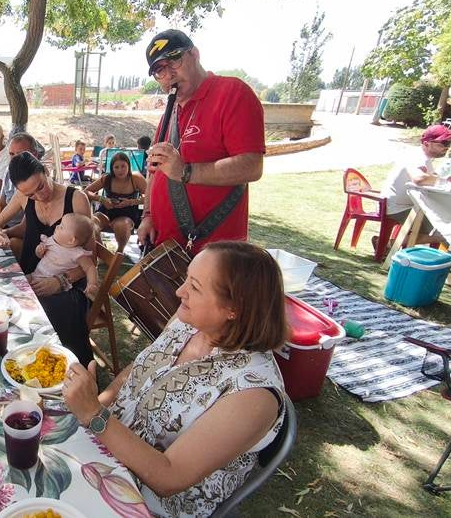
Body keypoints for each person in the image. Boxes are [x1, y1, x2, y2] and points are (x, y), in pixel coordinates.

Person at [63, 241, 287, 518]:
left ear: (234, 309)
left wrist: (94, 415)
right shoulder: (187, 324)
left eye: (194, 287)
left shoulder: (254, 394)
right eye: (186, 280)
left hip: (144, 501)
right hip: (106, 448)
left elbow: (169, 477)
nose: (180, 292)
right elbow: (138, 369)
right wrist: (98, 402)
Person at [138, 29, 265, 255]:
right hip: (164, 247)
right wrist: (147, 215)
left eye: (174, 60)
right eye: (159, 70)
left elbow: (251, 166)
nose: (168, 75)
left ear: (194, 54)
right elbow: (154, 171)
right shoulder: (171, 111)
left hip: (213, 252)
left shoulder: (232, 93)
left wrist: (185, 171)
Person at [0, 152, 94, 365]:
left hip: (70, 286)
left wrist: (60, 282)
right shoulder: (23, 196)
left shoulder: (76, 199)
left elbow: (91, 260)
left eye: (40, 187)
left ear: (46, 171)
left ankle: (70, 371)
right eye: (30, 195)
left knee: (35, 311)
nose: (39, 196)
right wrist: (1, 234)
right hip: (31, 277)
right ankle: (21, 364)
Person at [381, 124, 451, 244]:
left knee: (446, 225)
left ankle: (386, 243)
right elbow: (419, 178)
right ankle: (388, 243)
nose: (446, 147)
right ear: (426, 143)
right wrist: (448, 181)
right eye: (442, 143)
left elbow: (430, 178)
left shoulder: (424, 158)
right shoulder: (416, 156)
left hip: (407, 205)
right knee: (445, 230)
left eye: (449, 143)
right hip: (399, 207)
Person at [86, 151, 146, 252]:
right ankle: (102, 251)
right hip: (106, 212)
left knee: (122, 225)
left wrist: (132, 202)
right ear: (112, 168)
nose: (120, 170)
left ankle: (119, 253)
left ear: (129, 165)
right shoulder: (107, 178)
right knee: (90, 223)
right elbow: (85, 191)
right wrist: (101, 199)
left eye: (123, 166)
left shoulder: (135, 178)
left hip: (127, 215)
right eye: (116, 167)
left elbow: (149, 197)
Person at [32, 212, 99, 299]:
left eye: (61, 227)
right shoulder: (51, 240)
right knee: (17, 282)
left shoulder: (77, 253)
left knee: (28, 296)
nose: (57, 226)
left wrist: (92, 283)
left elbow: (90, 267)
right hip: (35, 275)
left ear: (71, 240)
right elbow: (40, 256)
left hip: (50, 286)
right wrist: (39, 251)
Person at [0, 132, 42, 234]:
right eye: (11, 154)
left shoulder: (38, 182)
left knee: (12, 243)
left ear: (34, 154)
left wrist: (3, 232)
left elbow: (25, 227)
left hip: (26, 233)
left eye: (20, 154)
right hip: (7, 225)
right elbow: (1, 202)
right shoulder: (9, 172)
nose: (15, 159)